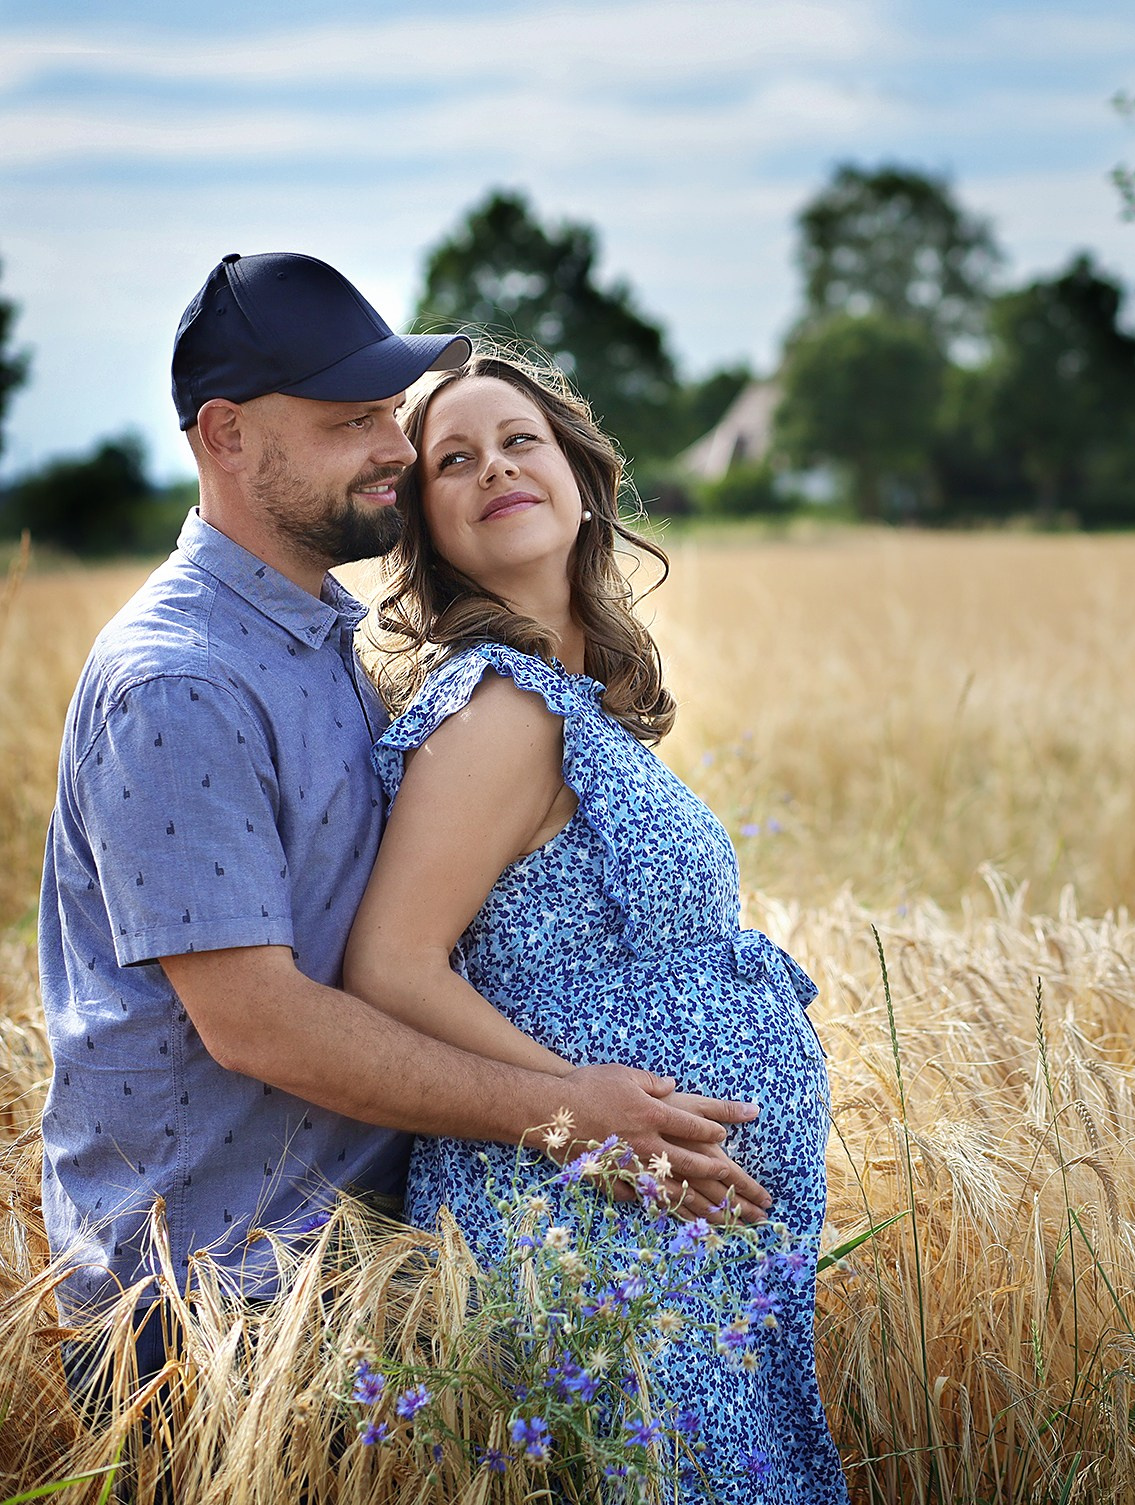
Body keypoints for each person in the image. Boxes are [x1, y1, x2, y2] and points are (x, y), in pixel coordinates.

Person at [39, 252, 767, 1388]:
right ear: (226, 436)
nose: (395, 445)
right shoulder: (179, 681)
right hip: (209, 1313)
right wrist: (570, 1112)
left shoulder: (322, 633)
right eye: (350, 420)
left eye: (390, 411)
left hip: (355, 1281)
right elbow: (259, 1023)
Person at [340, 343, 846, 1501]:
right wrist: (585, 1121)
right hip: (583, 1223)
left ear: (579, 476)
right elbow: (391, 963)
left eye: (519, 440)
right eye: (451, 461)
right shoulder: (500, 708)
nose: (494, 468)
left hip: (660, 1234)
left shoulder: (568, 702)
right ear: (427, 527)